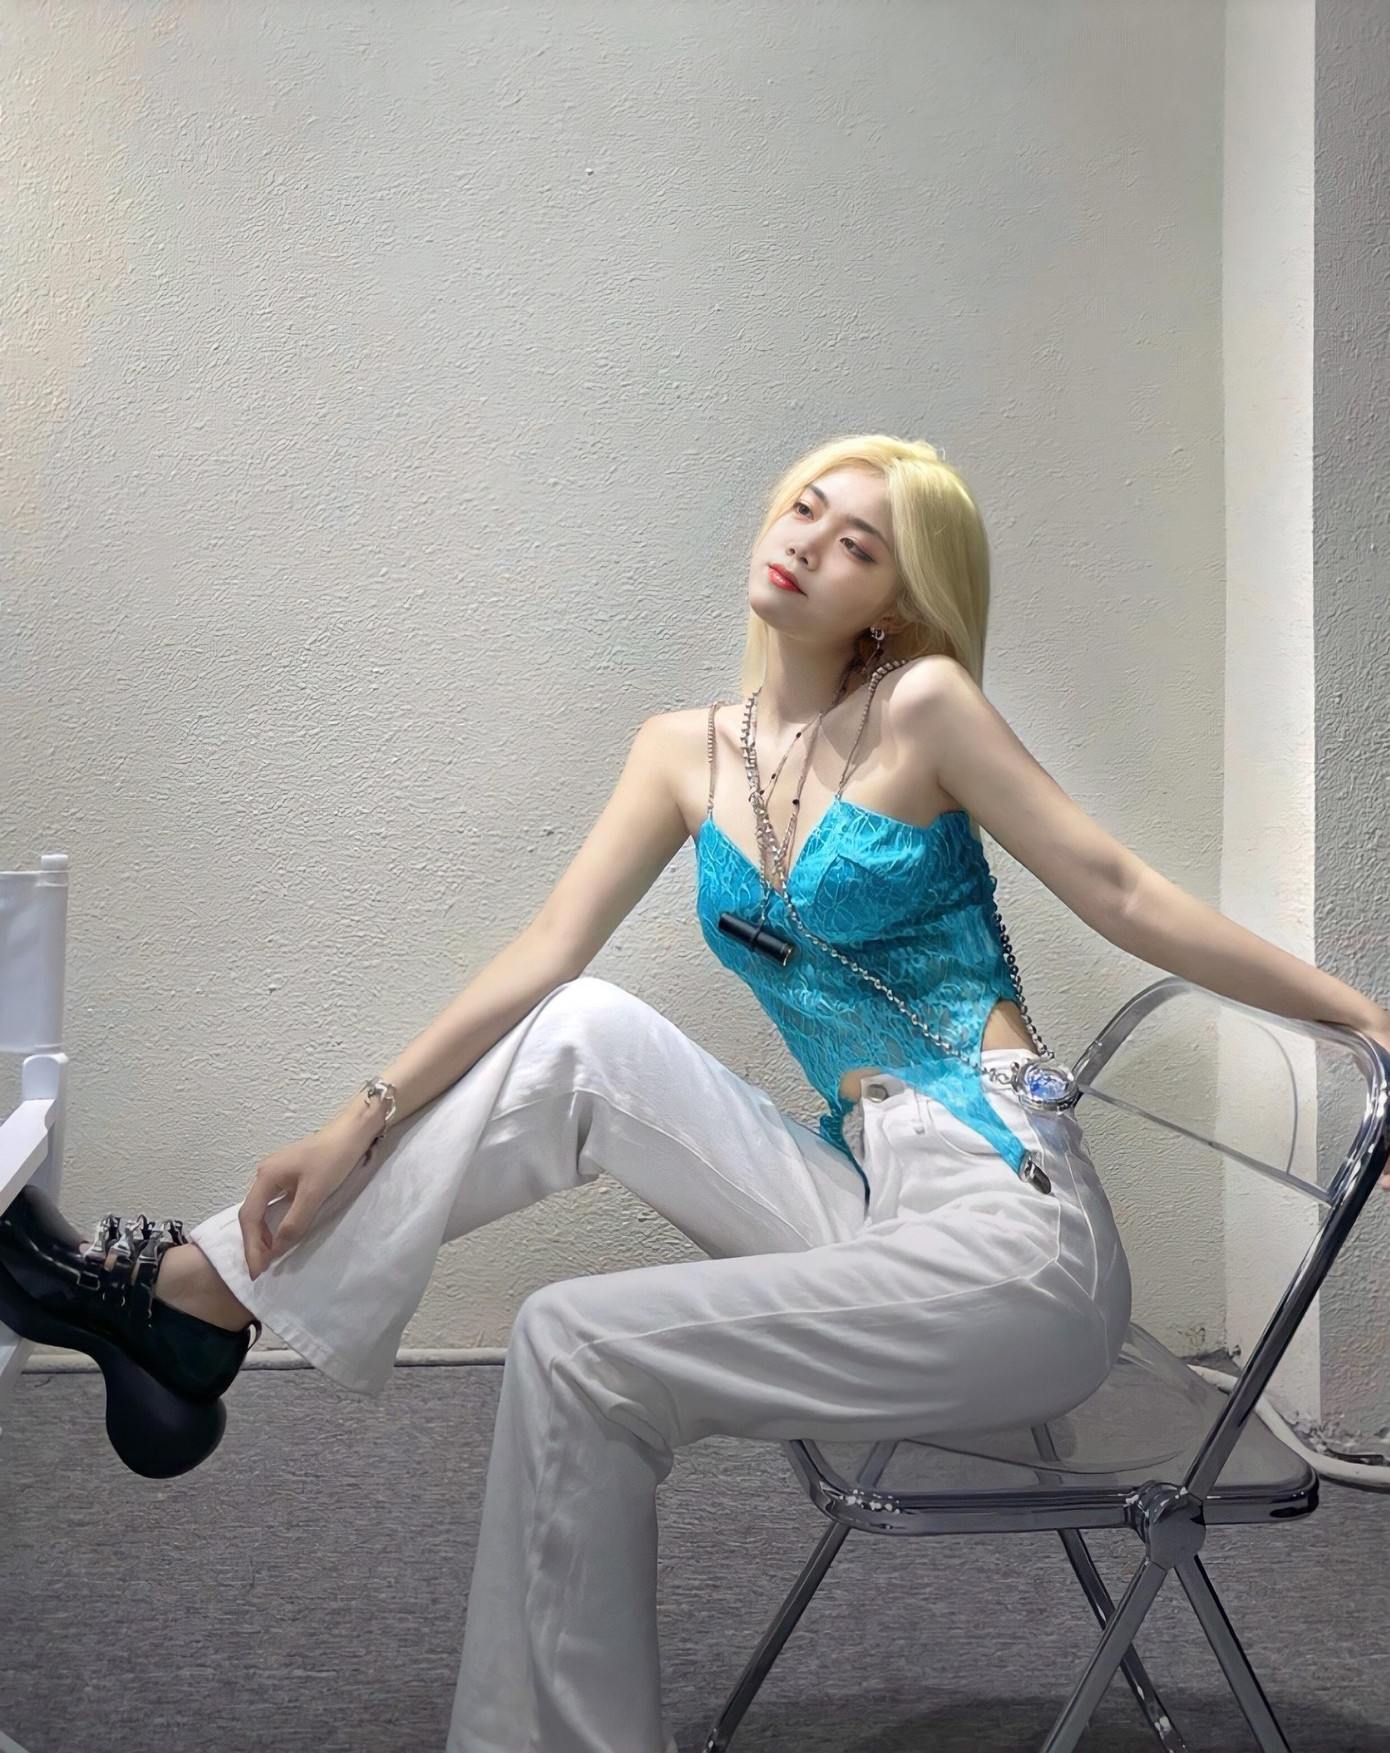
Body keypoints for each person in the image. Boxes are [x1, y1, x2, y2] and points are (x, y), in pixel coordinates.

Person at [4, 433, 1389, 1753]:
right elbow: (546, 952)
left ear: (893, 603)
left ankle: (204, 1317)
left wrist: (1360, 1014)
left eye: (859, 546)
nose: (810, 544)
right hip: (875, 1201)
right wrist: (355, 1116)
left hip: (1014, 1239)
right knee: (583, 1025)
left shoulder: (922, 708)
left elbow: (1121, 889)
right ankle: (213, 1292)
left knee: (571, 1338)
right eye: (806, 508)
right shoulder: (683, 750)